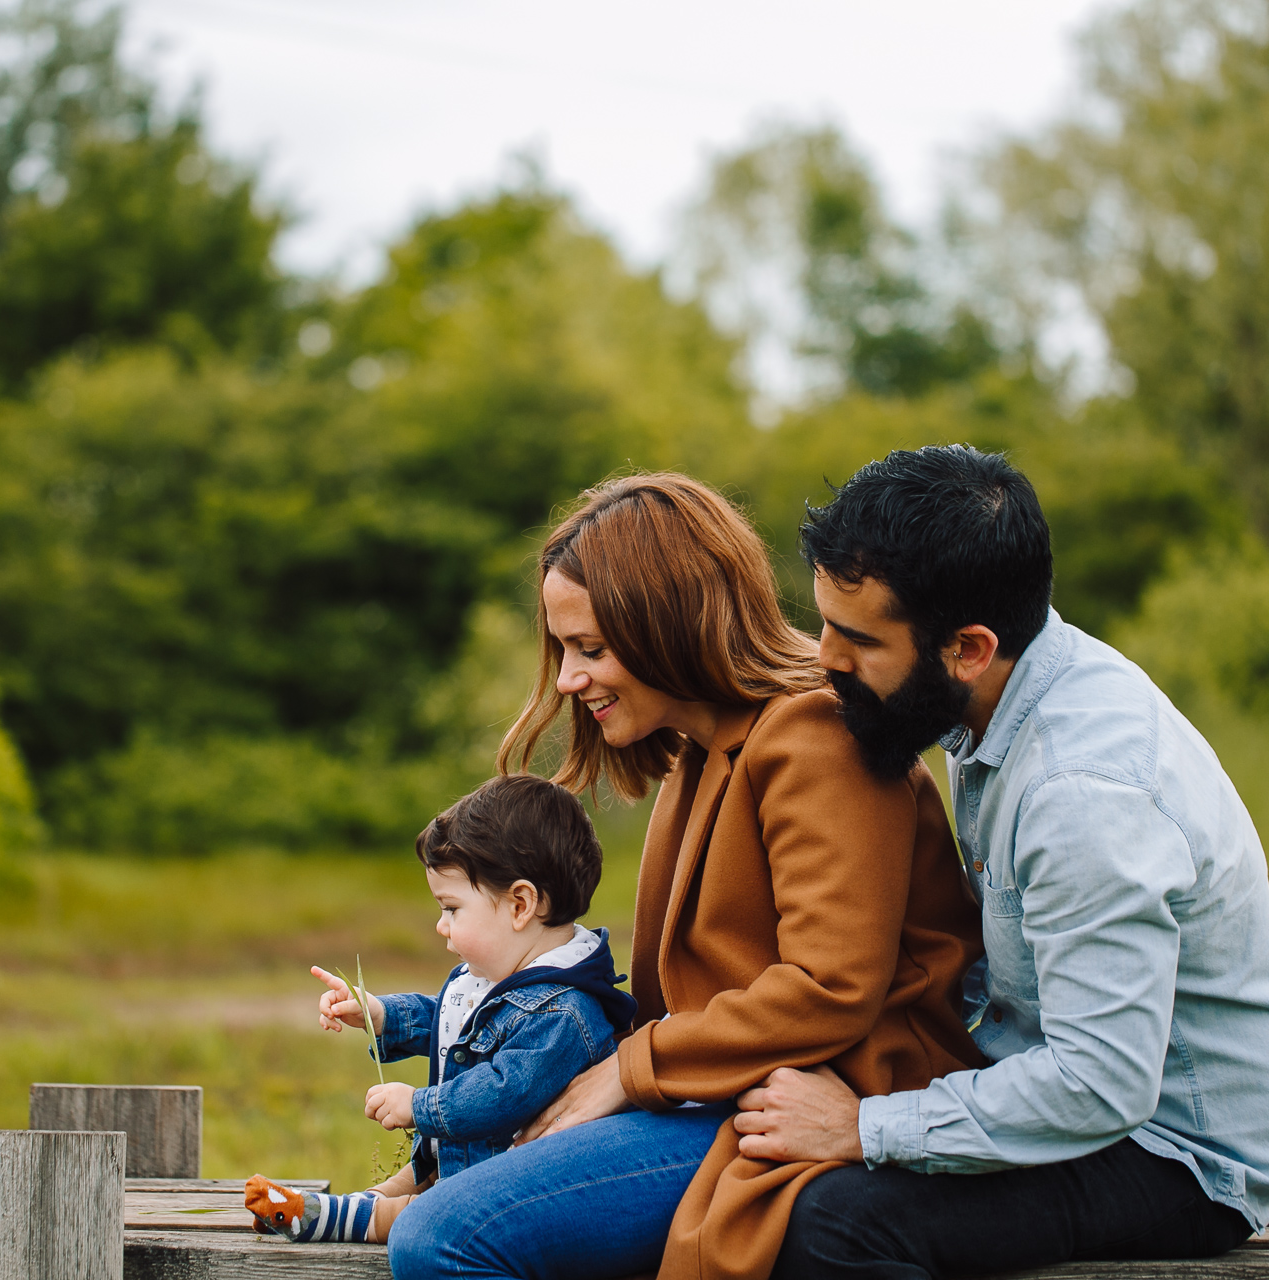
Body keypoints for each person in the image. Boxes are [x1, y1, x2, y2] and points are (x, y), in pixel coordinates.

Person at [385, 473, 984, 1280]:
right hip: (713, 1096)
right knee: (436, 1213)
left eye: (590, 649)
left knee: (443, 1241)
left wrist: (629, 1074)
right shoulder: (698, 757)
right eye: (564, 649)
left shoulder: (814, 736)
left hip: (802, 1105)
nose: (567, 679)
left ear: (671, 625)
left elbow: (829, 987)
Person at [737, 445, 1269, 1279]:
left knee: (833, 1225)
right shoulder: (997, 694)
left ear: (968, 646)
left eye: (858, 637)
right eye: (824, 621)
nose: (824, 658)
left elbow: (1101, 1085)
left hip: (1175, 1152)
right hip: (1068, 1088)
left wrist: (864, 1127)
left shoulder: (1082, 792)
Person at [244, 773, 636, 1245]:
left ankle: (338, 1218)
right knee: (408, 1180)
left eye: (451, 909)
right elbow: (448, 1021)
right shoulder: (500, 976)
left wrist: (419, 1105)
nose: (440, 925)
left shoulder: (563, 1012)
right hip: (460, 1158)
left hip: (507, 1185)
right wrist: (380, 1014)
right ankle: (347, 1205)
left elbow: (501, 1093)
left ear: (520, 905)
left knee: (420, 1209)